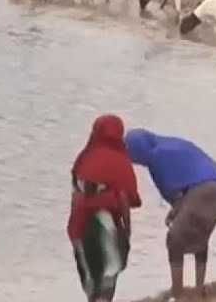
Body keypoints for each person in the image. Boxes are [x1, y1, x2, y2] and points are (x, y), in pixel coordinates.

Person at [124, 128, 216, 301]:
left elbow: (174, 190)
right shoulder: (169, 145)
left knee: (175, 239)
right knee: (200, 238)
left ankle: (178, 293)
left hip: (203, 191)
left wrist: (176, 211)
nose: (133, 159)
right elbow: (185, 181)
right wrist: (177, 210)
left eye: (131, 152)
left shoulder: (158, 157)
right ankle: (198, 291)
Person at [69, 115, 142, 302]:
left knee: (91, 281)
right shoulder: (121, 161)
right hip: (107, 225)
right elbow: (125, 199)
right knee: (108, 278)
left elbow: (76, 194)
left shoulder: (85, 157)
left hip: (81, 224)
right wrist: (127, 231)